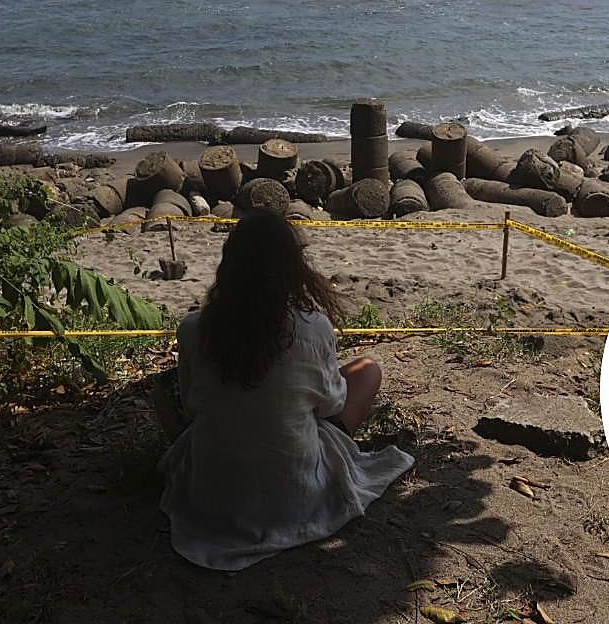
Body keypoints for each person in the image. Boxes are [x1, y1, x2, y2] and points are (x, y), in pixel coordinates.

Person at [152, 210, 414, 571]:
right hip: (296, 495)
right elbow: (330, 406)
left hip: (214, 496)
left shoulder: (195, 329)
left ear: (228, 263)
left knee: (159, 388)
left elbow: (193, 407)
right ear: (293, 267)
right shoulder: (312, 327)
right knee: (367, 371)